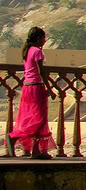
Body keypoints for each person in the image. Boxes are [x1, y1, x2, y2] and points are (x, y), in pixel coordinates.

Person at [6, 27, 57, 159]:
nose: (45, 41)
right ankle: (14, 137)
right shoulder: (38, 52)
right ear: (38, 38)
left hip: (27, 87)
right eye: (44, 38)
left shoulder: (27, 51)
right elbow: (41, 72)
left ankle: (36, 150)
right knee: (39, 119)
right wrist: (50, 89)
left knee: (30, 116)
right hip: (36, 87)